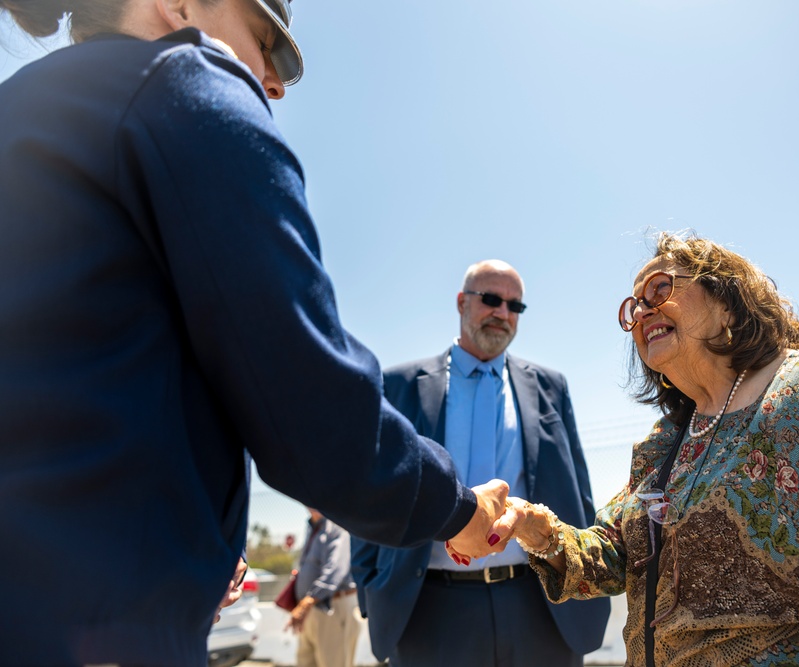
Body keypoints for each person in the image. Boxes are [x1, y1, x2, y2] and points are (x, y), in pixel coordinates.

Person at [0, 2, 509, 665]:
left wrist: (204, 548)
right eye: (266, 42)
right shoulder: (183, 84)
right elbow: (312, 411)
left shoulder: (23, 109)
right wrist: (458, 507)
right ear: (179, 5)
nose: (272, 80)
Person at [472, 232, 799, 665]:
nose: (643, 311)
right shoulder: (664, 442)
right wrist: (534, 527)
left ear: (728, 301)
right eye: (634, 307)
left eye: (660, 290)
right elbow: (616, 554)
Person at [351, 260, 610, 667]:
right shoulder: (400, 385)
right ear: (461, 303)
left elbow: (578, 489)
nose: (502, 313)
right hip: (429, 609)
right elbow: (369, 490)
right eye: (491, 299)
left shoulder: (550, 386)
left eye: (514, 306)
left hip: (540, 606)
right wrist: (370, 587)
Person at [286, 509, 362, 667]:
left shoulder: (337, 525)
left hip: (332, 607)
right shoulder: (312, 526)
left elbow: (335, 571)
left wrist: (307, 602)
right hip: (309, 610)